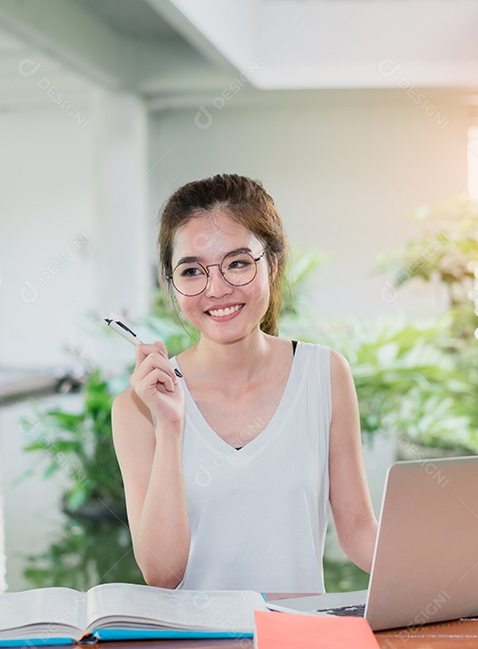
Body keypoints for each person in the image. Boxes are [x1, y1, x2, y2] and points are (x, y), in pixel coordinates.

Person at [111, 173, 378, 592]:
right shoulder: (137, 407)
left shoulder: (325, 374)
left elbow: (359, 529)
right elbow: (162, 574)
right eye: (192, 271)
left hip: (296, 646)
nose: (216, 289)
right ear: (172, 284)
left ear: (272, 264)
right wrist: (172, 427)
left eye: (237, 263)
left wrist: (442, 573)